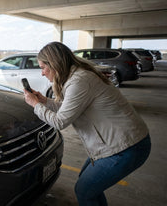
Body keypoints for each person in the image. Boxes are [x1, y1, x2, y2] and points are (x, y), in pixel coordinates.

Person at [23, 42, 151, 206]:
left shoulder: (79, 81)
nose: (42, 73)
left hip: (125, 147)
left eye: (43, 67)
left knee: (85, 191)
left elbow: (60, 121)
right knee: (88, 186)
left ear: (54, 64)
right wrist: (44, 101)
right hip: (118, 144)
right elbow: (68, 109)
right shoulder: (77, 76)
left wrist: (36, 105)